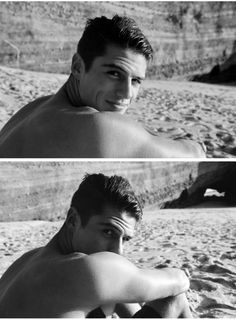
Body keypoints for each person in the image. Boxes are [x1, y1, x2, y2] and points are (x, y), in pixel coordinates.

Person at [0, 15, 206, 158]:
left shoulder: (33, 108)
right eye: (114, 73)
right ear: (78, 67)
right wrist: (196, 144)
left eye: (136, 81)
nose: (126, 93)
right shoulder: (95, 127)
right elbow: (196, 152)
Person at [0, 173, 192, 318]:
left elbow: (119, 287)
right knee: (174, 298)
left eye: (125, 239)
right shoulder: (84, 269)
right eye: (107, 232)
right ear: (73, 220)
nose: (118, 251)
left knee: (115, 290)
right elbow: (179, 280)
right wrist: (180, 275)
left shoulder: (26, 262)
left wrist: (127, 281)